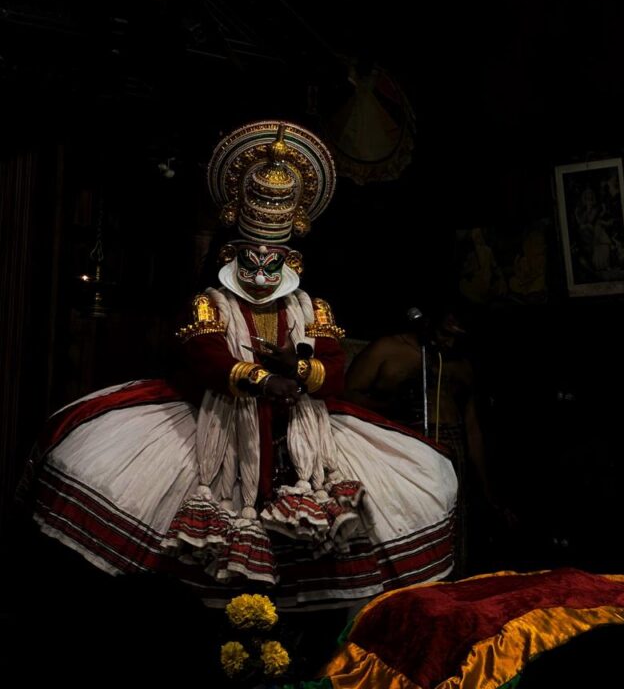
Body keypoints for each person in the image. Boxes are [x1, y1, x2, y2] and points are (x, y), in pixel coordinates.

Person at [26, 120, 459, 611]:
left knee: (396, 488)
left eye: (272, 262)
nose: (260, 272)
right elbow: (207, 357)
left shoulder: (312, 310)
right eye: (250, 260)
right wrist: (260, 378)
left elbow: (334, 371)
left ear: (290, 261)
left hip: (303, 432)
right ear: (231, 255)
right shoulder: (209, 302)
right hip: (218, 424)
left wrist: (298, 372)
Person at [342, 301, 510, 577]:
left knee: (453, 528)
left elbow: (472, 427)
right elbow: (346, 397)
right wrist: (391, 406)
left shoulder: (462, 364)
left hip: (450, 446)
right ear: (429, 322)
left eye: (458, 336)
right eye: (445, 332)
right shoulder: (388, 349)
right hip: (401, 444)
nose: (450, 341)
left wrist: (486, 487)